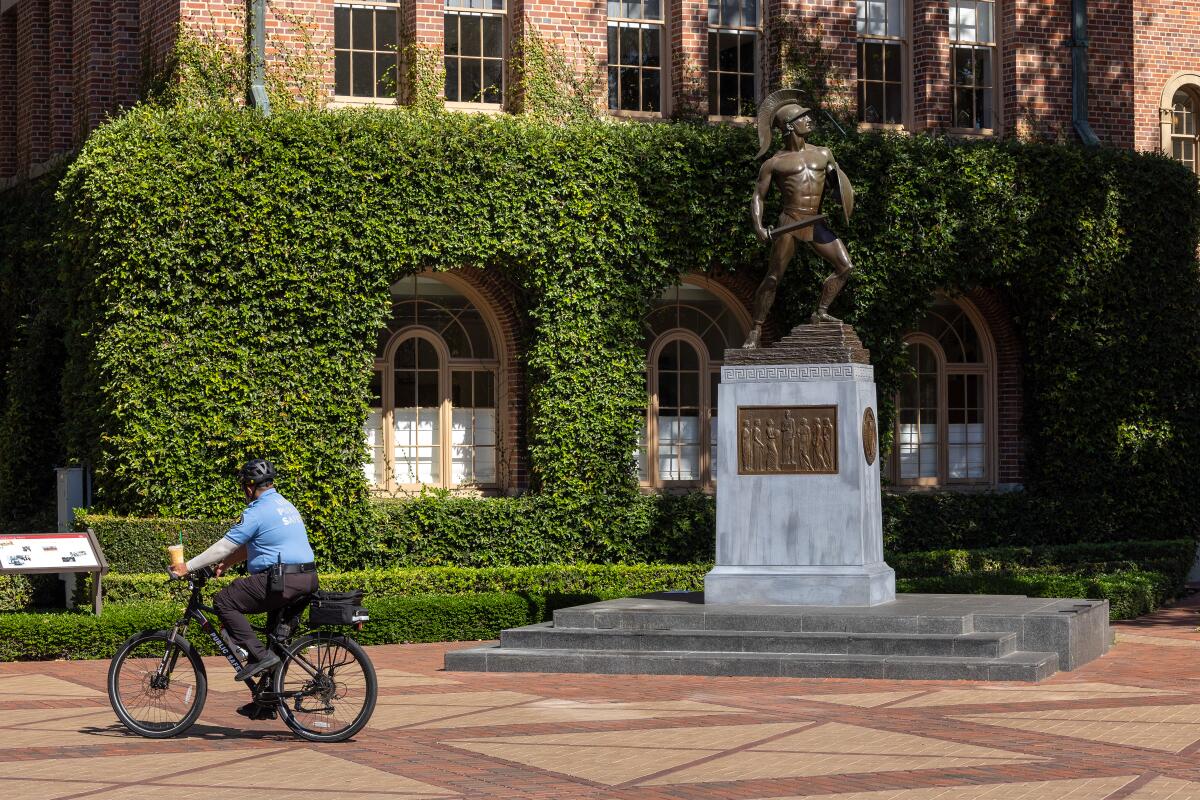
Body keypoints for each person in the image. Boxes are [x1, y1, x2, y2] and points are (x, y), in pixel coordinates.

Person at [169, 458, 317, 719]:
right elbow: (253, 545)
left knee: (225, 601)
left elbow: (225, 544)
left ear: (249, 488)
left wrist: (187, 567)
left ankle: (259, 657)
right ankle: (267, 701)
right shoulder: (285, 505)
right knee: (276, 639)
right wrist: (226, 564)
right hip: (306, 579)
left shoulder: (257, 511)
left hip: (282, 581)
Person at [744, 88, 857, 348]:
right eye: (803, 118)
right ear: (789, 127)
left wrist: (838, 192)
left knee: (845, 266)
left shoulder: (824, 153)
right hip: (790, 223)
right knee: (773, 277)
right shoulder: (774, 162)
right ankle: (756, 329)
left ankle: (821, 311)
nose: (809, 121)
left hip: (816, 221)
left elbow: (838, 183)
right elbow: (758, 197)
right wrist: (759, 226)